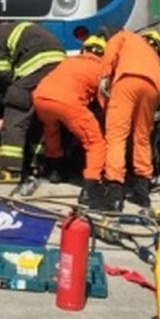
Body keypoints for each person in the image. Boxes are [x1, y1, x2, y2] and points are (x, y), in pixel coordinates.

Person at [0, 20, 66, 196]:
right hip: (58, 63)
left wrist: (8, 91)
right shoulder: (17, 29)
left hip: (38, 65)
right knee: (37, 119)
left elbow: (1, 72)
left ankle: (9, 169)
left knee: (15, 113)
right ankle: (37, 163)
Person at [32, 36, 107, 205]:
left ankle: (55, 170)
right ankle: (90, 188)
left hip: (41, 97)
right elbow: (103, 102)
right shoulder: (101, 68)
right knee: (95, 142)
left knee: (51, 130)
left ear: (84, 49)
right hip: (68, 102)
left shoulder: (68, 61)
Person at [100, 29, 160, 209]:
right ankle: (142, 193)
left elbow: (112, 46)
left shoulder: (128, 36)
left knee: (116, 137)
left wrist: (105, 75)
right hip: (154, 88)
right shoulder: (156, 59)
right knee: (142, 138)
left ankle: (114, 194)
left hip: (127, 80)